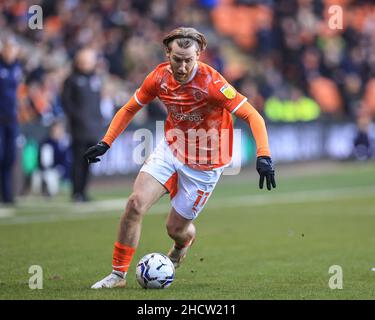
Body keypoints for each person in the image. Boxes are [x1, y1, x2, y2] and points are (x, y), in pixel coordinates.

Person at [85, 27, 276, 289]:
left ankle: (182, 243)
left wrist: (263, 155)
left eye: (189, 60)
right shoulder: (159, 77)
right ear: (167, 54)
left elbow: (253, 116)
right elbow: (130, 107)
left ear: (199, 55)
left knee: (175, 228)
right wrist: (106, 142)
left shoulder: (213, 83)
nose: (183, 66)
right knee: (135, 204)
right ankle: (117, 275)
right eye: (177, 59)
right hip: (172, 149)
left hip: (205, 165)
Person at [62, 48, 104, 202]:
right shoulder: (71, 80)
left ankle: (84, 191)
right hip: (79, 129)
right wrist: (77, 118)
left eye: (89, 61)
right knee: (78, 161)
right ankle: (76, 192)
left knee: (89, 161)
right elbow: (66, 103)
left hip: (93, 128)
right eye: (84, 60)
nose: (87, 64)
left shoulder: (95, 79)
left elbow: (98, 103)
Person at [0, 37, 22, 205]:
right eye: (8, 49)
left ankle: (7, 196)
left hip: (11, 118)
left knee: (9, 157)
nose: (10, 53)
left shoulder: (16, 67)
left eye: (13, 50)